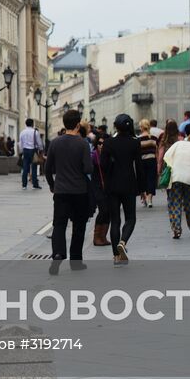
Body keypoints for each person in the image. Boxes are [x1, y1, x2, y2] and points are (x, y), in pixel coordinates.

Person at [45, 111, 93, 264]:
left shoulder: (55, 143)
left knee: (59, 223)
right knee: (79, 226)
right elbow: (88, 169)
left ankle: (58, 253)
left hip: (61, 191)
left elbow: (47, 169)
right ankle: (76, 260)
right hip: (79, 191)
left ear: (64, 124)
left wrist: (52, 185)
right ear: (78, 125)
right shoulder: (83, 143)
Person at [100, 115, 140, 264]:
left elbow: (103, 165)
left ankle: (116, 256)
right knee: (130, 218)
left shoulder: (109, 143)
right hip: (129, 185)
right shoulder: (135, 143)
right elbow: (139, 167)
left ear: (116, 126)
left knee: (115, 220)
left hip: (112, 186)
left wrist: (111, 166)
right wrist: (142, 188)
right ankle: (123, 242)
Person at [136, 119, 158, 208]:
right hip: (152, 160)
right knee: (151, 180)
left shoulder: (138, 139)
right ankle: (150, 200)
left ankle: (144, 198)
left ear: (141, 127)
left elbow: (136, 152)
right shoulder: (154, 138)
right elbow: (156, 151)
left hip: (141, 161)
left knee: (143, 180)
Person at [18, 118, 44, 190]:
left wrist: (21, 152)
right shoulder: (35, 132)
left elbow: (20, 143)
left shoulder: (22, 132)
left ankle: (24, 185)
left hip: (25, 151)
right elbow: (39, 143)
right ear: (32, 124)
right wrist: (41, 150)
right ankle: (35, 184)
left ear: (26, 124)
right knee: (34, 168)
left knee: (25, 167)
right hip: (33, 150)